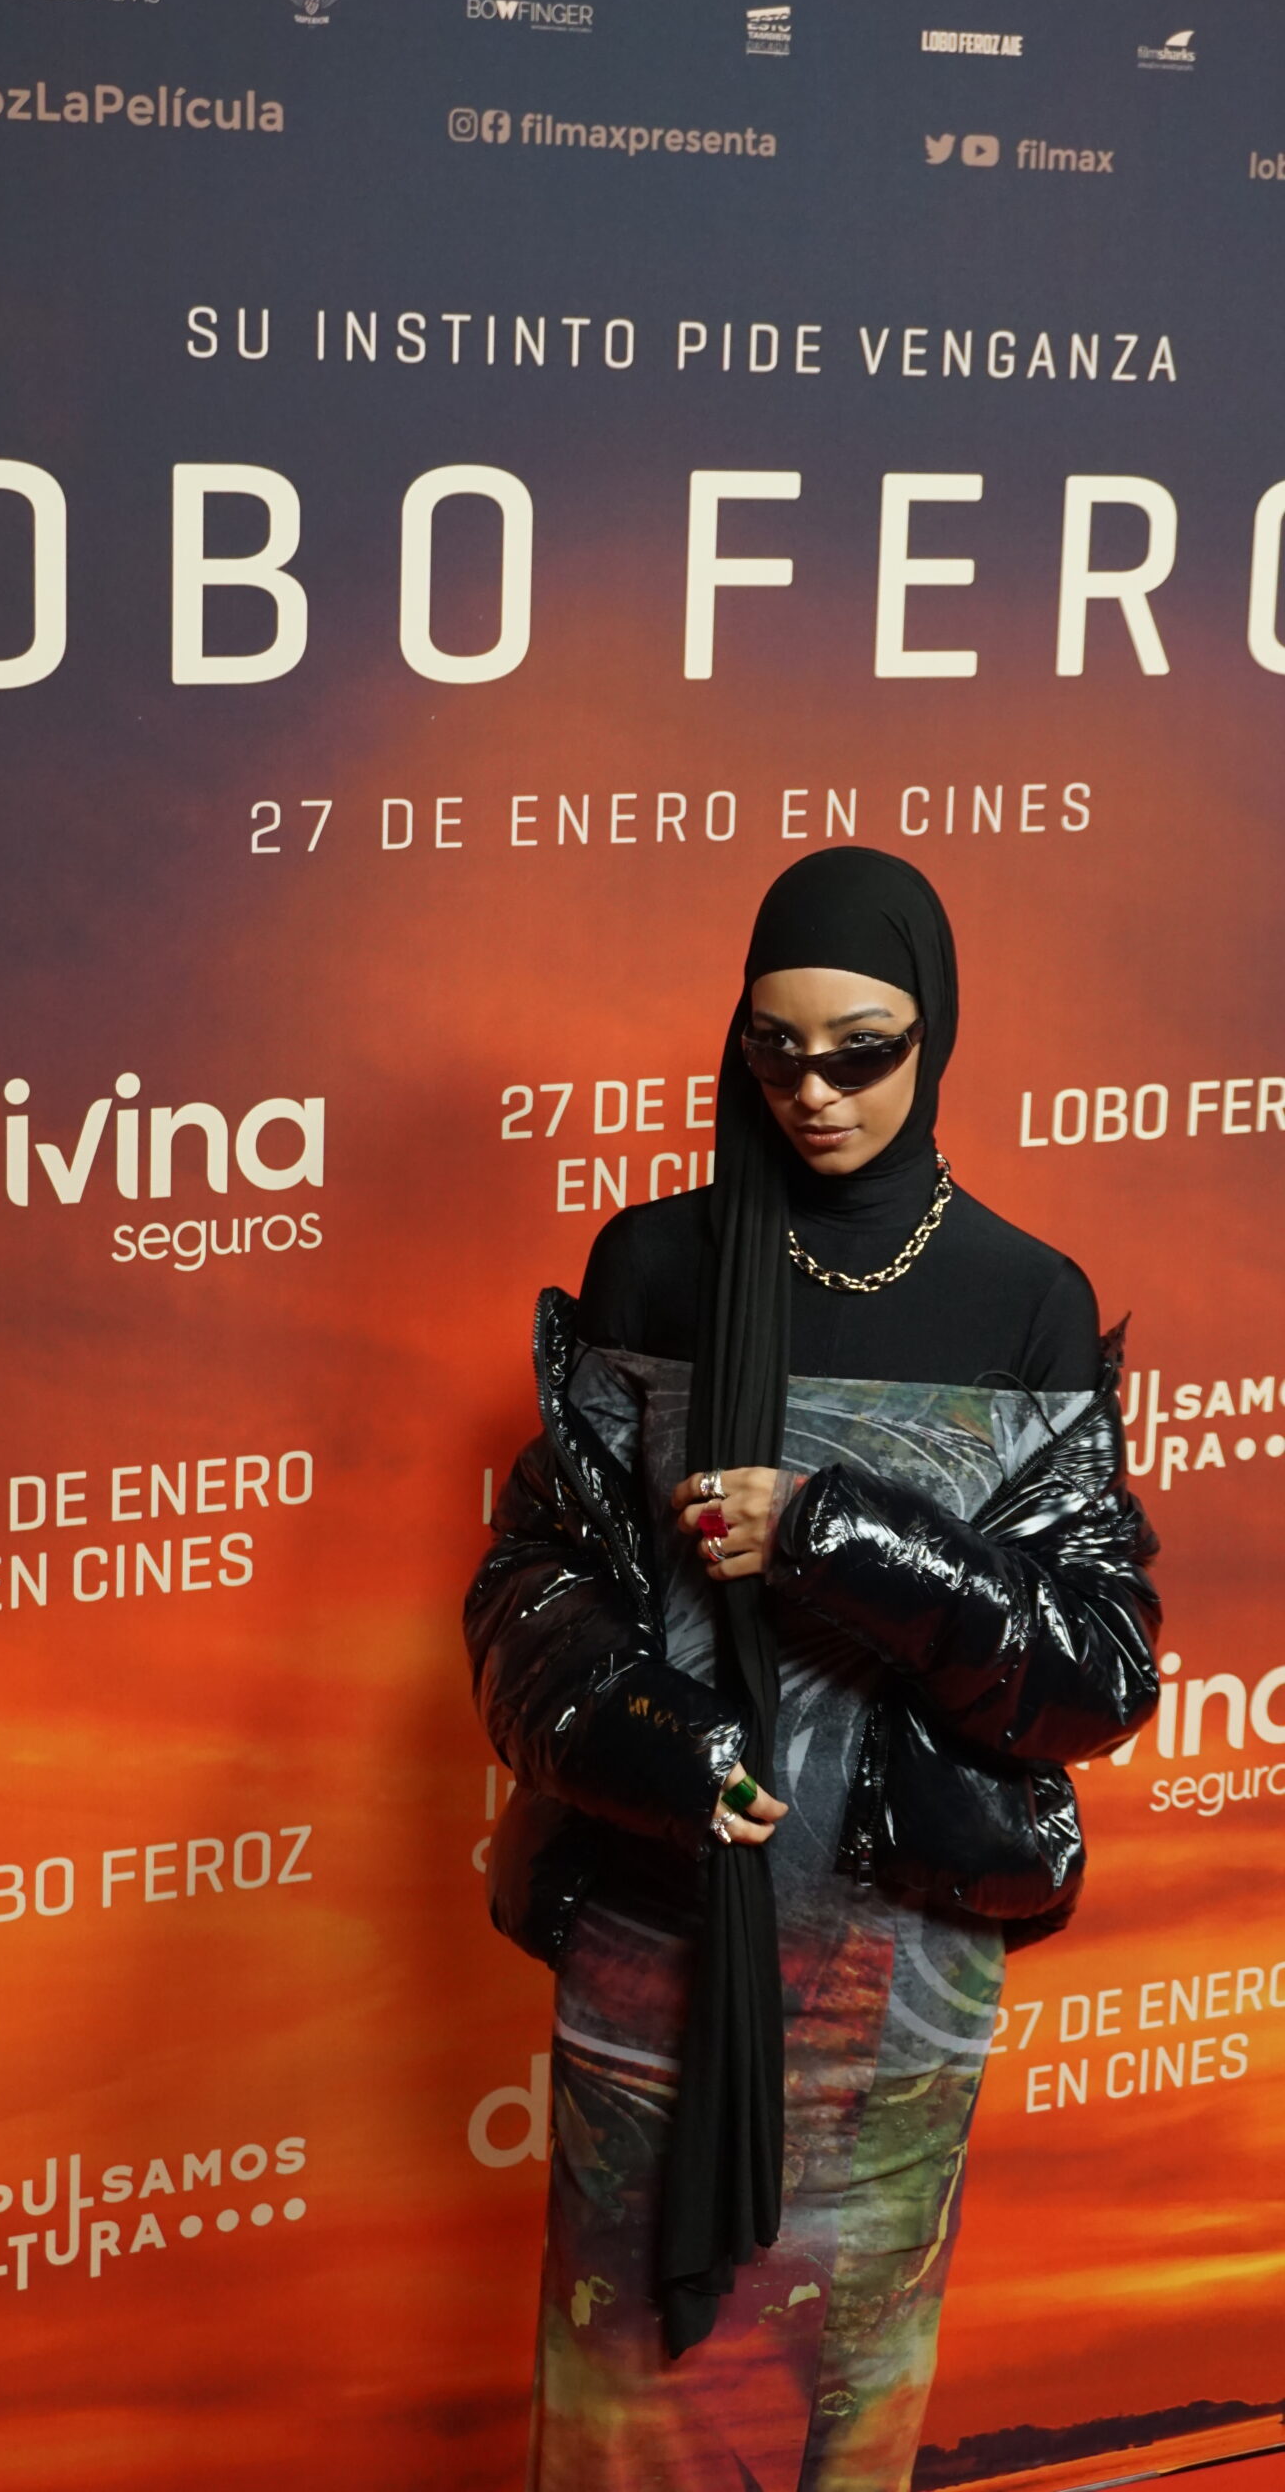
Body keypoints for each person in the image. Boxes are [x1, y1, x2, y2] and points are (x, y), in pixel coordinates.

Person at [464, 847, 1161, 2492]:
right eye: (774, 1049)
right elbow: (531, 1586)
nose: (814, 1092)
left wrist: (837, 1533)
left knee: (851, 2430)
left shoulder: (1025, 1302)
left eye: (863, 1051)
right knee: (621, 2431)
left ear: (938, 1035)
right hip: (658, 1934)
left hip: (899, 1966)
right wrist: (656, 1738)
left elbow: (1095, 1667)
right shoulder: (653, 1268)